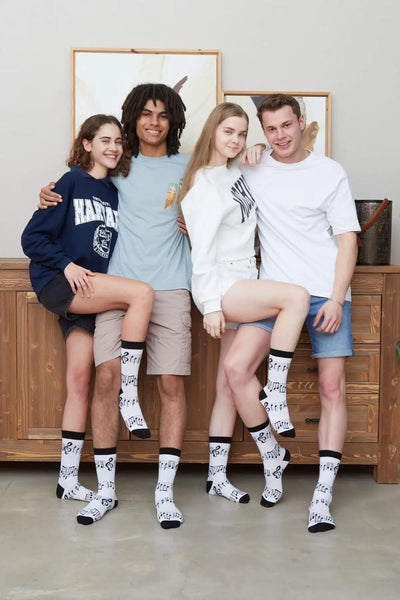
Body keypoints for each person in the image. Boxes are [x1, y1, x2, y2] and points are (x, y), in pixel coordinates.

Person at [38, 84, 192, 529]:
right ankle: (105, 490)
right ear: (133, 118)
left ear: (174, 120)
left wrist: (257, 149)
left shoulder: (190, 166)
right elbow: (78, 184)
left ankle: (165, 493)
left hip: (171, 289)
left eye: (163, 115)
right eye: (145, 114)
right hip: (117, 288)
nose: (154, 122)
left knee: (170, 387)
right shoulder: (118, 164)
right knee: (106, 380)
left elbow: (231, 168)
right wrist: (50, 192)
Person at [224, 94, 360, 532]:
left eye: (287, 125)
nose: (280, 135)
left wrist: (338, 297)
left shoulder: (329, 172)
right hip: (276, 293)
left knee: (332, 388)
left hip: (325, 292)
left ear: (302, 122)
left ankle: (322, 494)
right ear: (263, 131)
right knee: (236, 367)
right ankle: (272, 457)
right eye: (271, 129)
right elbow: (210, 193)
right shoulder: (251, 166)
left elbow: (347, 239)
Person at [22, 114, 154, 525]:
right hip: (66, 284)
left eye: (118, 141)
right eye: (104, 140)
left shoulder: (115, 192)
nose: (113, 147)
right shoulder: (69, 182)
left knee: (80, 381)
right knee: (141, 294)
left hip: (92, 296)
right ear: (87, 144)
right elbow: (32, 238)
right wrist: (65, 266)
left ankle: (67, 479)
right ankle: (128, 395)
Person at [178, 103, 310, 506]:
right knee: (297, 297)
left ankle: (230, 470)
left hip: (246, 280)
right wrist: (210, 305)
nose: (234, 140)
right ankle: (274, 391)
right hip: (223, 285)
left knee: (228, 381)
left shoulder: (235, 172)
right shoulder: (204, 184)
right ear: (212, 133)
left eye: (240, 133)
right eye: (227, 133)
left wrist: (255, 148)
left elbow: (260, 160)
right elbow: (200, 252)